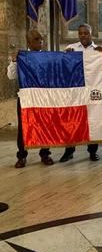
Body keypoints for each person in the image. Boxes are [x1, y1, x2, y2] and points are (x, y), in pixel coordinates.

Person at [7, 30, 54, 168]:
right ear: (28, 42)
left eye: (41, 40)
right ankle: (22, 156)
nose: (40, 42)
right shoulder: (21, 57)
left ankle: (45, 154)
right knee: (23, 126)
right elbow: (11, 76)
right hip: (26, 98)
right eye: (36, 40)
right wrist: (14, 60)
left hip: (43, 97)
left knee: (45, 125)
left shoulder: (46, 57)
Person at [59, 23, 101, 163]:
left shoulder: (98, 50)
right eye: (81, 33)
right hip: (75, 90)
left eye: (86, 33)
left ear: (91, 34)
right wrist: (66, 57)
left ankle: (93, 151)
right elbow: (62, 67)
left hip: (91, 90)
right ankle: (69, 151)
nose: (83, 35)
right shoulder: (70, 48)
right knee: (72, 120)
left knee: (93, 120)